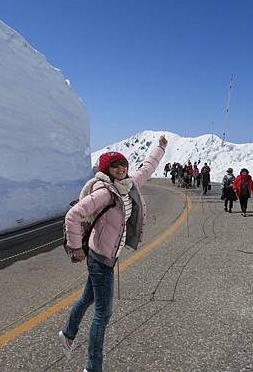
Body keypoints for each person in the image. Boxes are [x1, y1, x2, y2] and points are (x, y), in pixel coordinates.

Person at [60, 135, 168, 372]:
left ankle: (67, 333)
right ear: (105, 170)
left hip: (109, 256)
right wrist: (77, 248)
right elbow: (73, 216)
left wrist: (160, 148)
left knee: (88, 298)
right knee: (103, 312)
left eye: (123, 164)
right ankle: (93, 366)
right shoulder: (104, 193)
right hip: (100, 259)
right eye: (115, 165)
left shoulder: (128, 184)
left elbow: (147, 168)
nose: (121, 168)